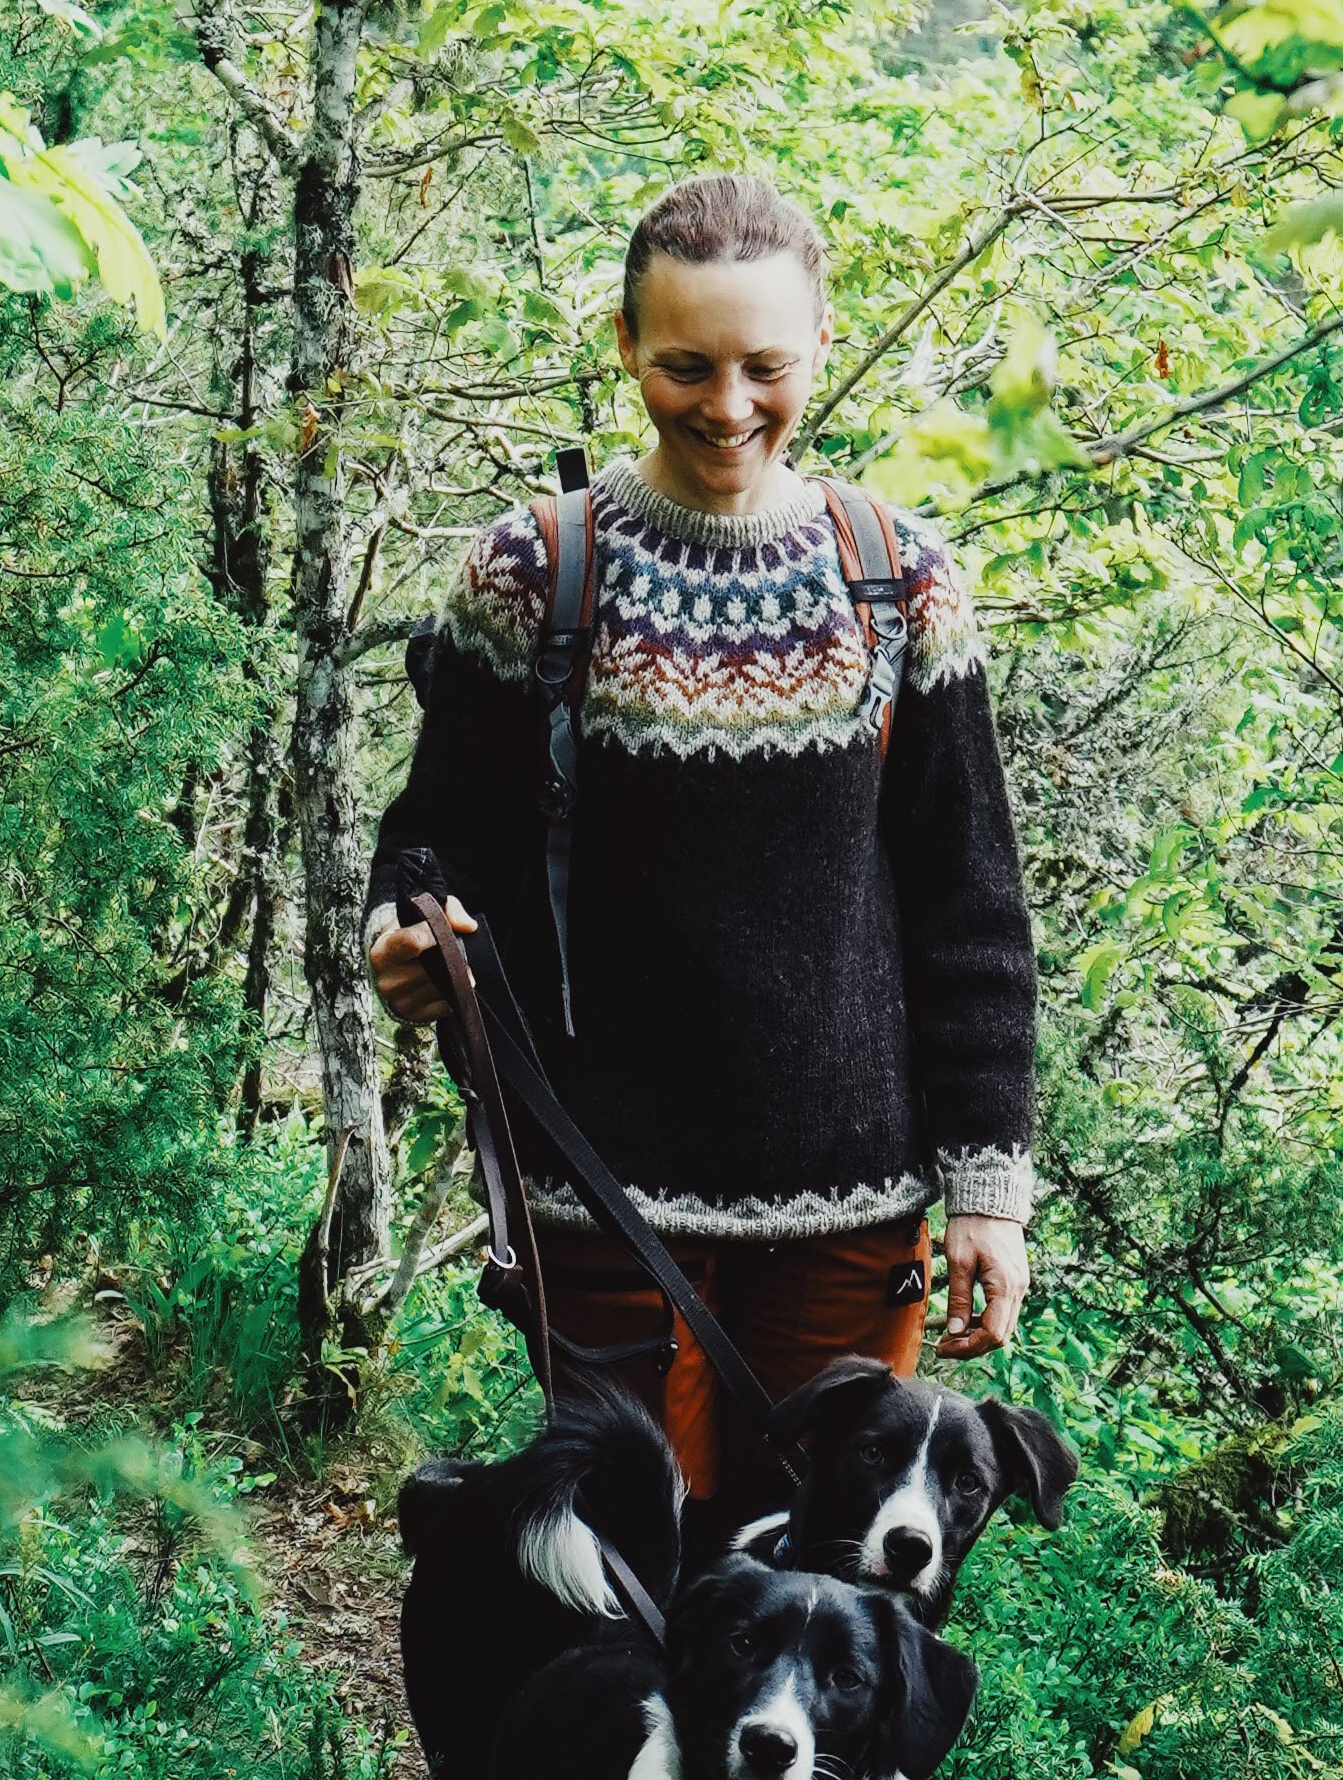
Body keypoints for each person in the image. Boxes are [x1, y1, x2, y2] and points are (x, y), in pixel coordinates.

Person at [367, 170, 1038, 1503]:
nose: (728, 407)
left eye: (764, 367)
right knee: (633, 1584)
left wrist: (988, 1195)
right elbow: (437, 839)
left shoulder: (896, 578)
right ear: (626, 346)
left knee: (813, 1595)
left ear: (819, 351)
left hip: (854, 1214)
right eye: (685, 365)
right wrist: (405, 929)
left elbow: (969, 904)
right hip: (605, 1202)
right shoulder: (535, 572)